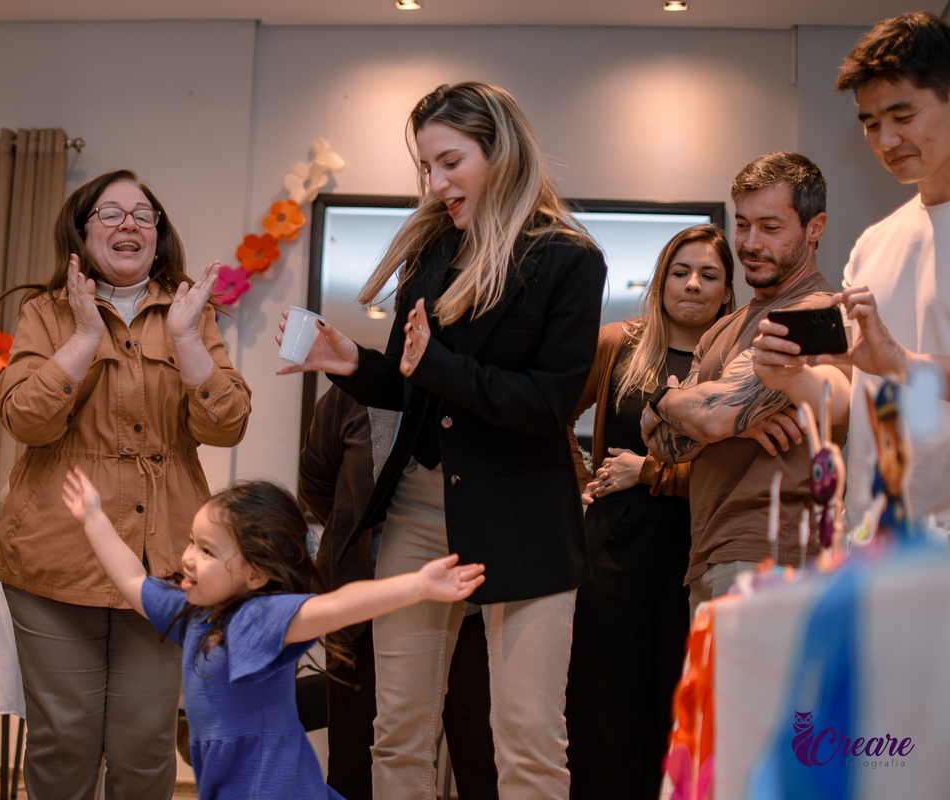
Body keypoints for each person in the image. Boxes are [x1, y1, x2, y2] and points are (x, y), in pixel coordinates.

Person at [278, 82, 607, 799]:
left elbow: (547, 405)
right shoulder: (431, 251)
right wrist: (349, 363)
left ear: (502, 151)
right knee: (396, 734)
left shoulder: (568, 260)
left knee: (527, 741)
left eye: (450, 162)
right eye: (426, 167)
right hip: (418, 514)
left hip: (524, 521)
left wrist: (438, 365)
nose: (436, 184)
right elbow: (408, 384)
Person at [0, 170, 251, 800]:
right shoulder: (46, 313)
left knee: (144, 745)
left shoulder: (192, 312)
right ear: (81, 236)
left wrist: (188, 339)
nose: (129, 224)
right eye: (109, 213)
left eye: (143, 214)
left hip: (161, 568)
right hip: (55, 559)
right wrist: (85, 336)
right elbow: (25, 417)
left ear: (159, 237)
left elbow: (229, 424)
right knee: (65, 741)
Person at [62, 471, 485, 800]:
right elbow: (133, 580)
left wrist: (417, 586)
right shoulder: (194, 614)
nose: (188, 557)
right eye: (192, 542)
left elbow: (336, 606)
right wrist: (94, 519)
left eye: (208, 551)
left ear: (256, 574)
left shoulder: (259, 619)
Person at [564, 224, 735, 800]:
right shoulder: (619, 343)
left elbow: (734, 472)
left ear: (727, 291)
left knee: (677, 698)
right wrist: (581, 482)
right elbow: (553, 415)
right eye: (680, 272)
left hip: (699, 548)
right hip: (613, 548)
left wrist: (652, 471)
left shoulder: (736, 365)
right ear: (661, 280)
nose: (692, 284)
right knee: (603, 697)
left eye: (709, 274)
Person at [640, 152, 851, 614]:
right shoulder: (723, 328)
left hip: (771, 554)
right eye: (743, 224)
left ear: (815, 227)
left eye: (770, 227)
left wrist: (662, 398)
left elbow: (714, 419)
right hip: (711, 551)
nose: (751, 243)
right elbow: (659, 443)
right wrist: (689, 409)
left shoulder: (813, 316)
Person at [299, 386, 498, 800]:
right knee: (356, 758)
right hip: (364, 605)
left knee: (481, 755)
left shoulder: (482, 391)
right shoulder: (349, 396)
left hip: (473, 606)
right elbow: (317, 485)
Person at [816, 11, 950, 529]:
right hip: (876, 531)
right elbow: (860, 390)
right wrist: (790, 379)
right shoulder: (874, 243)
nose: (886, 140)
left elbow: (894, 367)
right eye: (871, 124)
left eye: (902, 115)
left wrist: (899, 361)